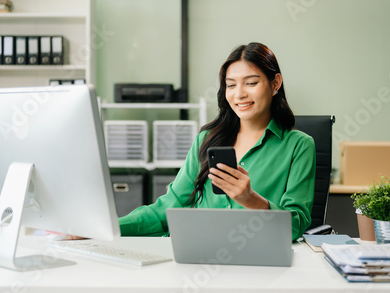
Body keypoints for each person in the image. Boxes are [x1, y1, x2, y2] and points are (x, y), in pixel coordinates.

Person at [119, 42, 316, 240]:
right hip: (197, 253)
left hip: (259, 259)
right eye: (231, 85)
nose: (239, 94)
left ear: (275, 84)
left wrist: (250, 199)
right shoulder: (207, 140)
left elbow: (296, 225)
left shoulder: (299, 146)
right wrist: (108, 228)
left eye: (251, 83)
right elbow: (167, 209)